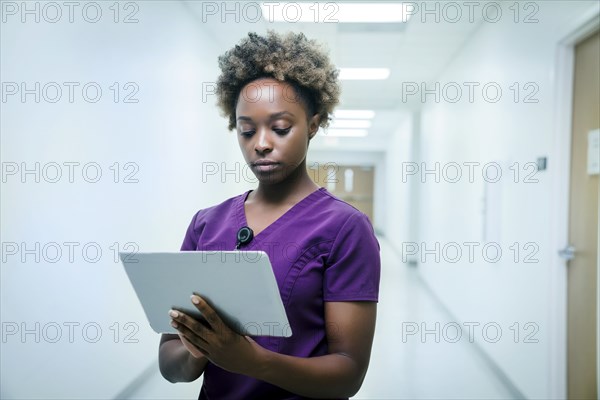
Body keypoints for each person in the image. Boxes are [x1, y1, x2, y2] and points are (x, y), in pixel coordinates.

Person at [158, 30, 381, 400]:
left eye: (280, 128)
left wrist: (252, 361)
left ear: (313, 123)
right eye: (246, 130)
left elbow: (348, 372)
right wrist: (198, 348)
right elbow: (169, 364)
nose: (261, 143)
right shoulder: (206, 224)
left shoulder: (345, 229)